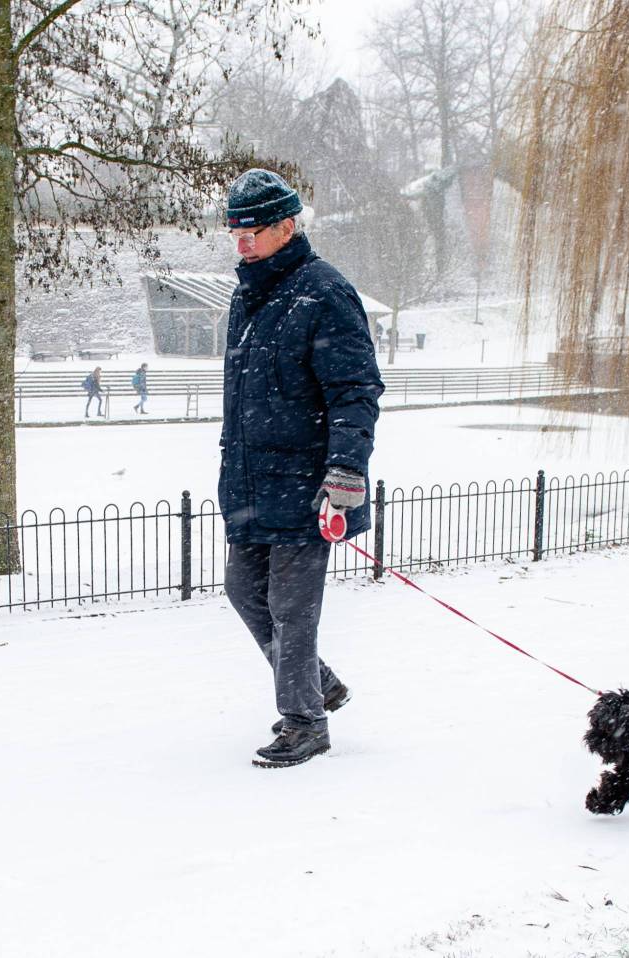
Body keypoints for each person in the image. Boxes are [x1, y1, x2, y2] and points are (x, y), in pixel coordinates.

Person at [219, 168, 384, 769]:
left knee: (291, 609)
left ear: (287, 227)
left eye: (252, 231)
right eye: (234, 231)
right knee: (243, 590)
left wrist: (343, 474)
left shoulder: (325, 293)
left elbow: (355, 391)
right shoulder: (249, 295)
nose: (241, 242)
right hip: (251, 482)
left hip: (307, 485)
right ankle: (319, 686)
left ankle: (305, 722)